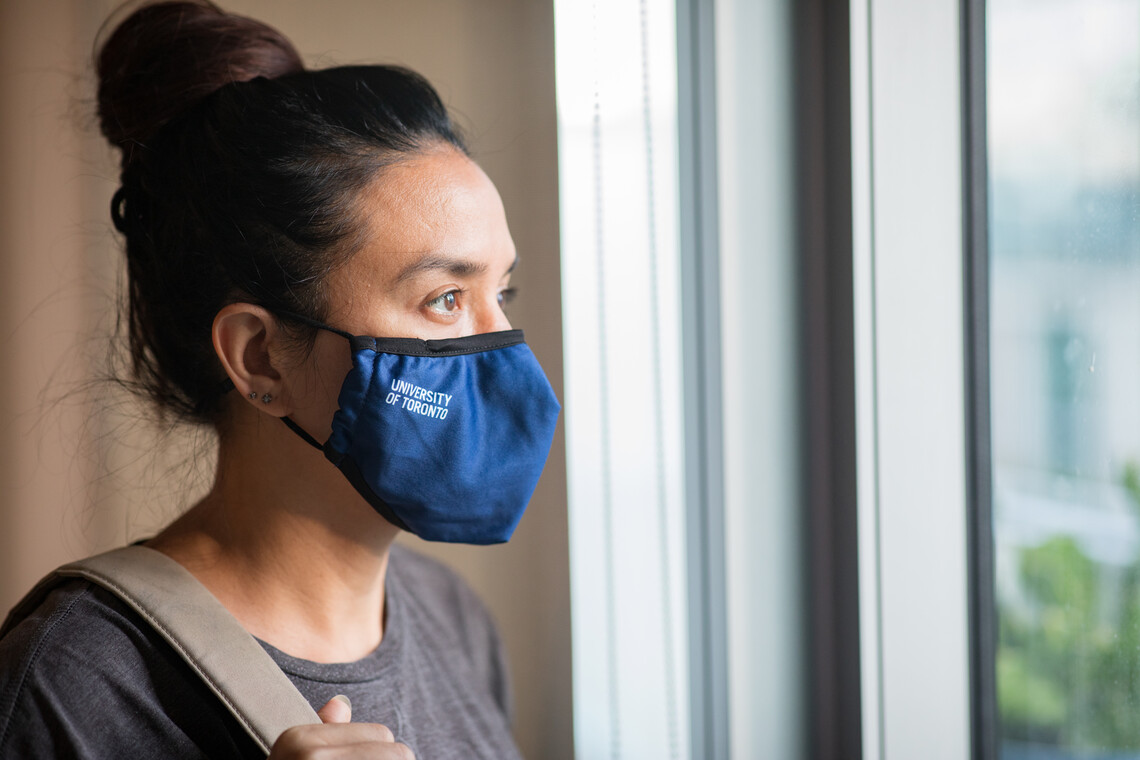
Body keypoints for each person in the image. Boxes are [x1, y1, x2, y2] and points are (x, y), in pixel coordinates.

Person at [0, 1, 559, 758]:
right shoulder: (76, 677)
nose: (505, 354)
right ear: (260, 358)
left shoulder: (450, 615)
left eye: (504, 294)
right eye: (446, 300)